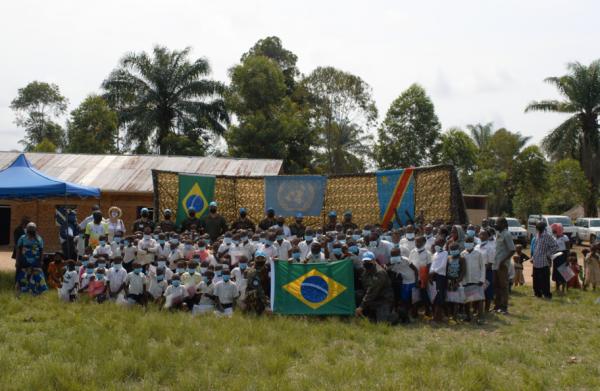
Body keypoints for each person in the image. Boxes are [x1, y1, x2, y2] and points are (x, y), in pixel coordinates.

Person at [355, 251, 395, 324]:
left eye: (368, 261)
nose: (366, 263)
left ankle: (395, 315)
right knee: (358, 294)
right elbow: (366, 287)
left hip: (383, 299)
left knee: (383, 323)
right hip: (372, 299)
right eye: (365, 261)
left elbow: (372, 291)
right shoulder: (365, 271)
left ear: (373, 260)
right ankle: (369, 314)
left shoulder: (379, 273)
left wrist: (361, 307)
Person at [492, 217, 515, 314]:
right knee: (496, 286)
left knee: (503, 286)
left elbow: (512, 250)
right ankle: (496, 306)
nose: (496, 225)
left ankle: (504, 307)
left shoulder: (507, 234)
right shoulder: (498, 233)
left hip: (502, 265)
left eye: (498, 223)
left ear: (503, 224)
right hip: (495, 264)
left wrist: (503, 261)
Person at [531, 222, 559, 299]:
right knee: (536, 279)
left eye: (538, 228)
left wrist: (548, 254)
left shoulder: (547, 236)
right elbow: (536, 247)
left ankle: (546, 294)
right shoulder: (537, 235)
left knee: (544, 279)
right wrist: (533, 257)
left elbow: (555, 246)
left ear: (543, 228)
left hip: (544, 261)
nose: (537, 229)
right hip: (536, 261)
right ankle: (537, 293)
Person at [462, 237, 485, 324]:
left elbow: (482, 267)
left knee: (479, 299)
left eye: (469, 242)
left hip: (477, 279)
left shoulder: (478, 253)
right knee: (467, 300)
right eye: (466, 242)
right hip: (466, 280)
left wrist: (482, 278)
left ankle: (479, 317)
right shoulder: (463, 254)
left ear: (473, 243)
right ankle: (468, 316)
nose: (468, 243)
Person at [446, 242, 466, 323]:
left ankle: (455, 316)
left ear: (458, 250)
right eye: (451, 250)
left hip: (457, 281)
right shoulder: (448, 258)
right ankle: (450, 315)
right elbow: (446, 270)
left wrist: (457, 282)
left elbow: (463, 271)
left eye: (455, 250)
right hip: (449, 281)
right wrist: (447, 281)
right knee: (449, 299)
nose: (453, 251)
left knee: (456, 301)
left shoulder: (462, 259)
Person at [429, 239, 448, 323]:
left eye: (438, 244)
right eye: (435, 243)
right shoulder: (435, 254)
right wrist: (430, 274)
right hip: (433, 277)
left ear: (442, 244)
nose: (436, 245)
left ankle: (437, 317)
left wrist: (434, 272)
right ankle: (437, 316)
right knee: (434, 297)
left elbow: (443, 266)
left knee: (439, 297)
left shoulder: (445, 253)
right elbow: (432, 265)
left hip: (440, 276)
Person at [551, 223, 570, 295]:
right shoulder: (553, 237)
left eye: (555, 231)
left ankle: (563, 289)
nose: (554, 232)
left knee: (564, 272)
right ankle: (557, 288)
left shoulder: (565, 237)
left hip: (563, 256)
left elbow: (568, 249)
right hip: (556, 256)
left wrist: (568, 258)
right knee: (556, 272)